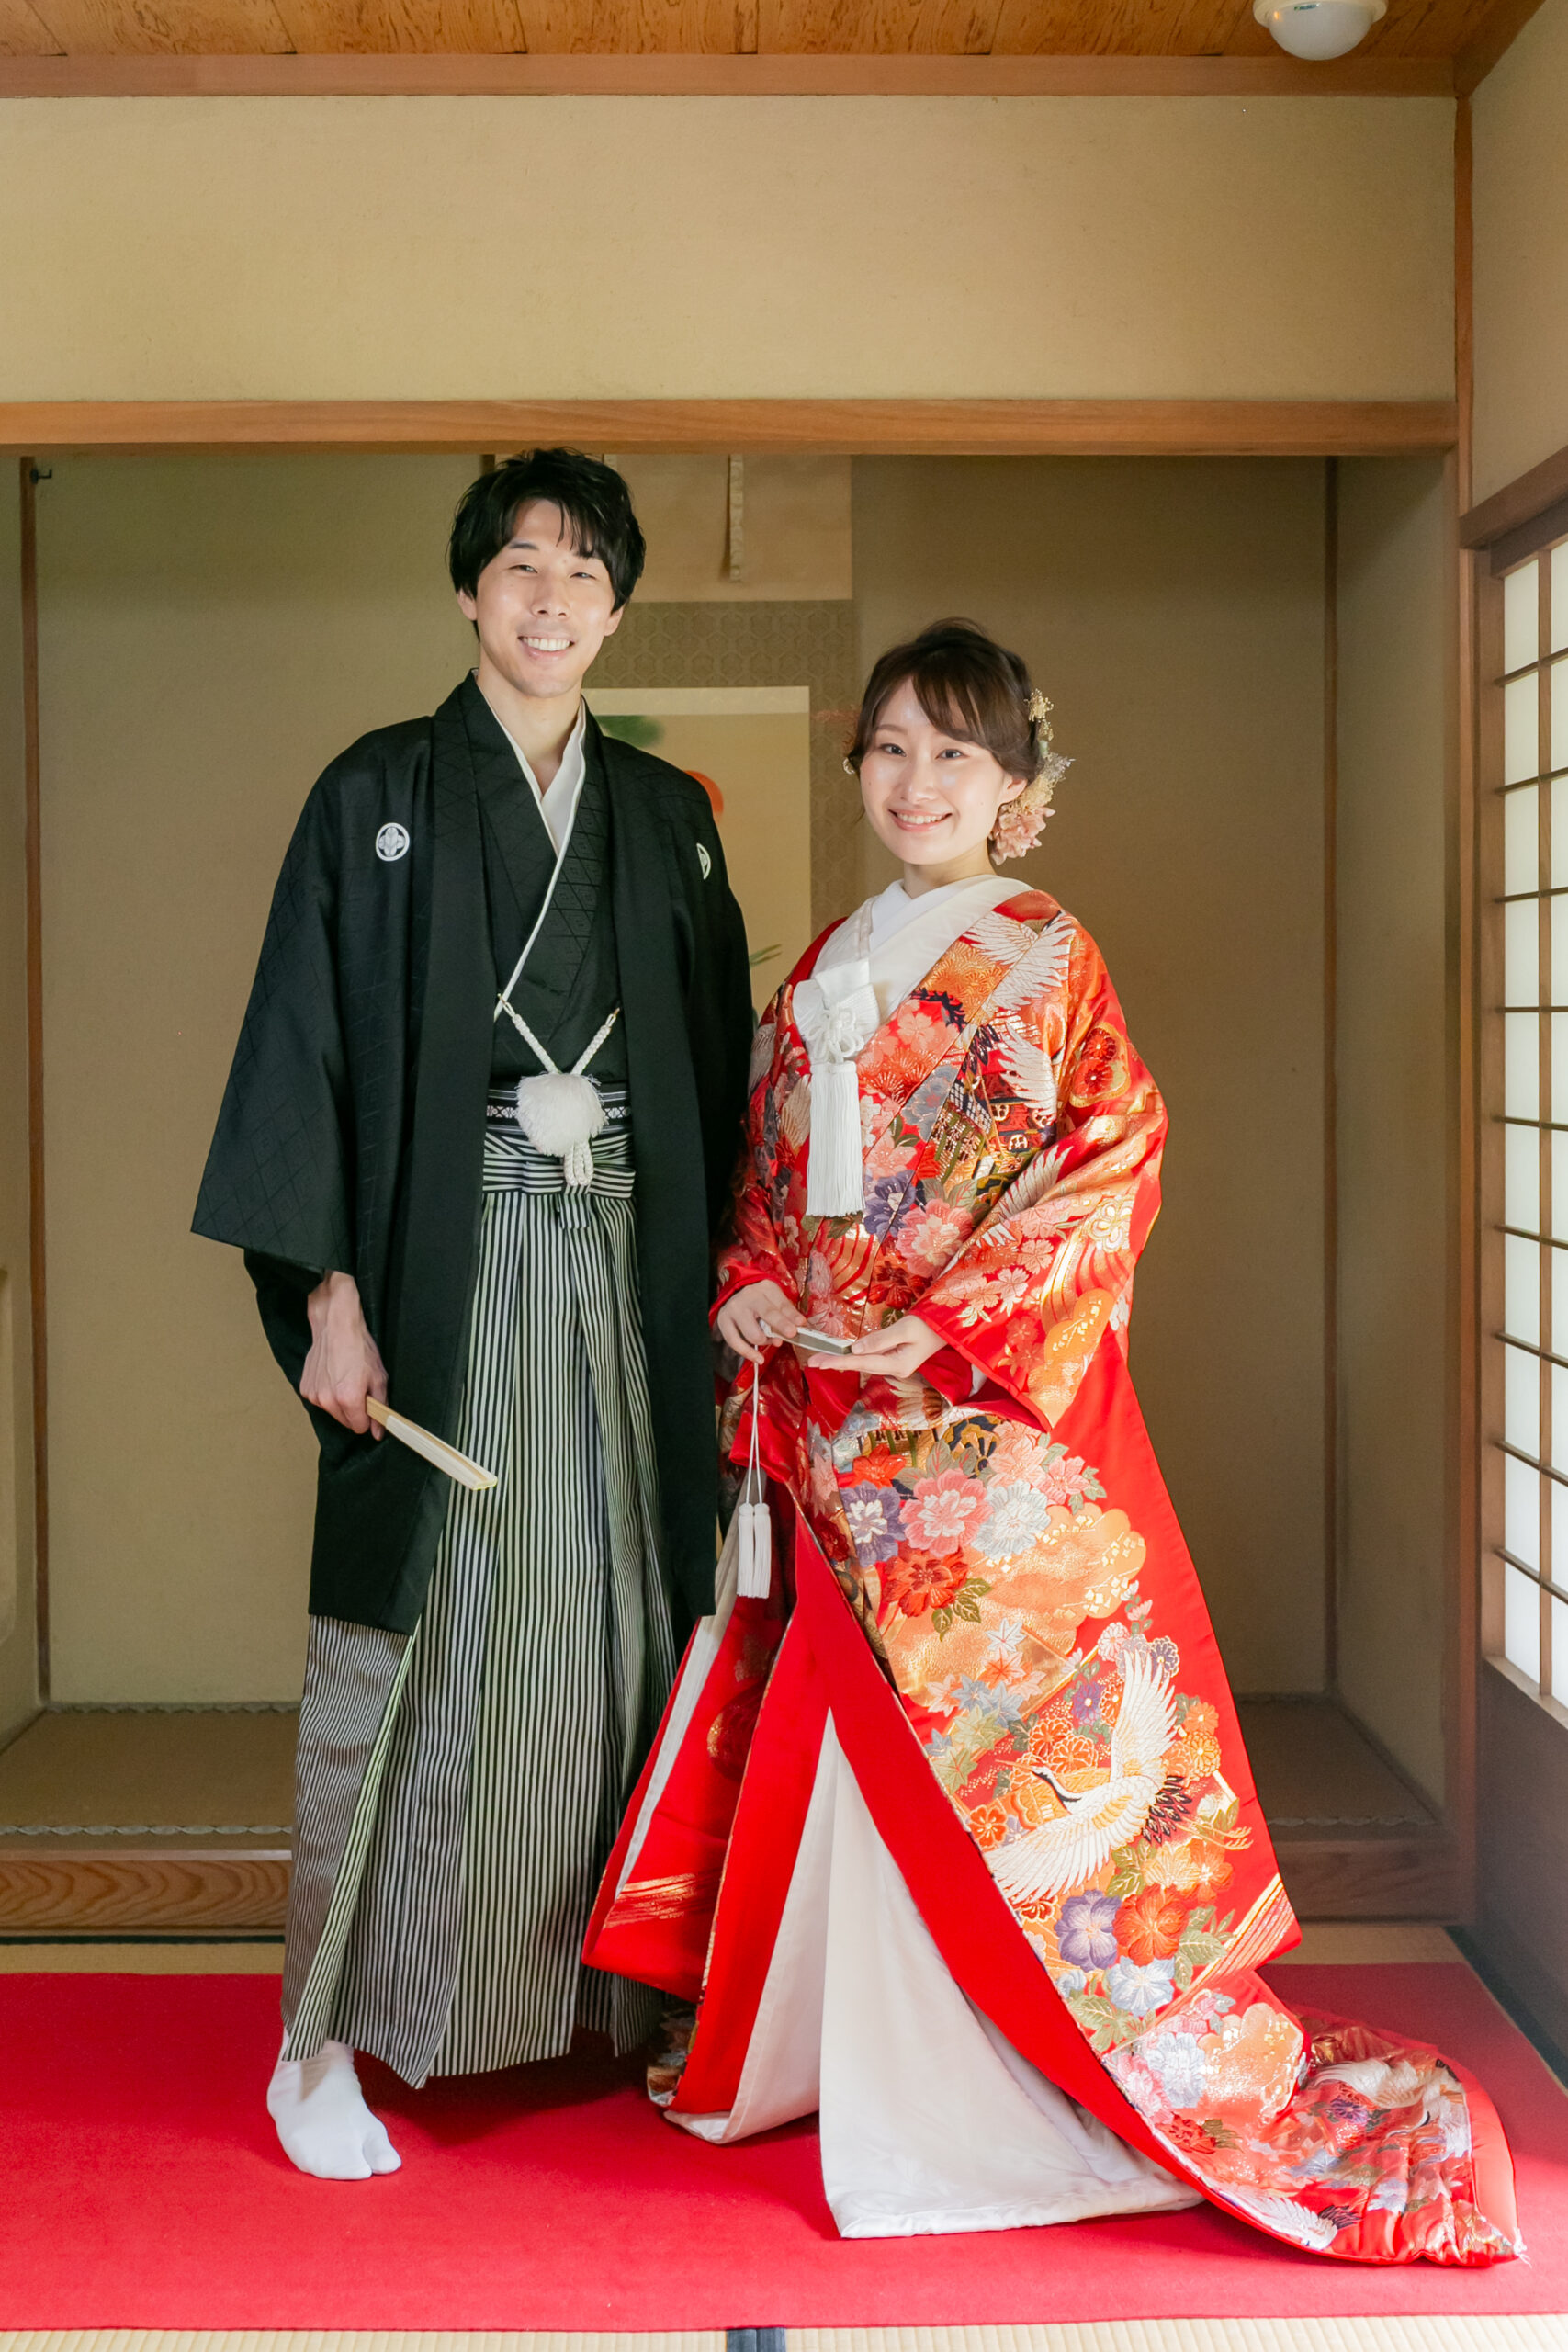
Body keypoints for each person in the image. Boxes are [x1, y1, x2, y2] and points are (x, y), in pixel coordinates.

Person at [586, 618, 1519, 2264]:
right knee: (863, 1759)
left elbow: (1112, 1157)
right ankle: (862, 2058)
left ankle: (1003, 2079)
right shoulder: (825, 962)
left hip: (975, 1437)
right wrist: (752, 1285)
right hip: (835, 1421)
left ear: (1016, 785)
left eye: (955, 754)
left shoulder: (1042, 953)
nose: (917, 781)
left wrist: (945, 1326)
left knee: (1013, 1777)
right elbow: (766, 1173)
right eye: (890, 748)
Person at [195, 449, 752, 2180]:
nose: (551, 601)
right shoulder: (377, 792)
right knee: (419, 1651)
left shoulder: (666, 816)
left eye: (586, 575)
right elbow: (302, 1052)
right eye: (522, 567)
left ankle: (613, 2007)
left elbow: (725, 1077)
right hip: (445, 1279)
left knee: (613, 1628)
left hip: (630, 1280)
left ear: (619, 608)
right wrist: (327, 1300)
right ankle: (323, 2045)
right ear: (467, 590)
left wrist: (744, 1294)